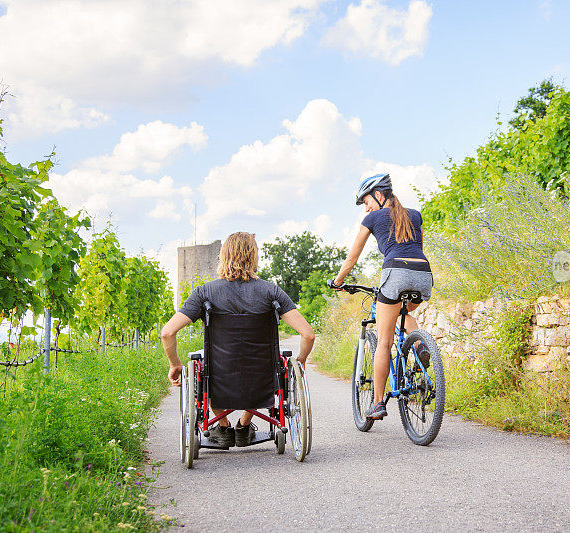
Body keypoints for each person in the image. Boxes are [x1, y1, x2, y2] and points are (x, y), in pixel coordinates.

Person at [161, 231, 315, 448]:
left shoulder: (205, 292)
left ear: (224, 256)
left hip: (219, 375)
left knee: (202, 370)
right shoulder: (271, 292)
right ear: (254, 256)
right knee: (268, 368)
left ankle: (223, 427)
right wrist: (301, 360)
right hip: (261, 377)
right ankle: (243, 427)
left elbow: (167, 332)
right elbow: (308, 334)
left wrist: (174, 364)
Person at [331, 173, 432, 420]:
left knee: (384, 342)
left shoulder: (373, 217)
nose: (365, 207)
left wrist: (338, 282)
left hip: (395, 272)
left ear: (378, 194)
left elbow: (353, 257)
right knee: (402, 310)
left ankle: (377, 402)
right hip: (423, 273)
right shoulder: (415, 214)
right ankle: (420, 344)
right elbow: (415, 247)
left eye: (366, 201)